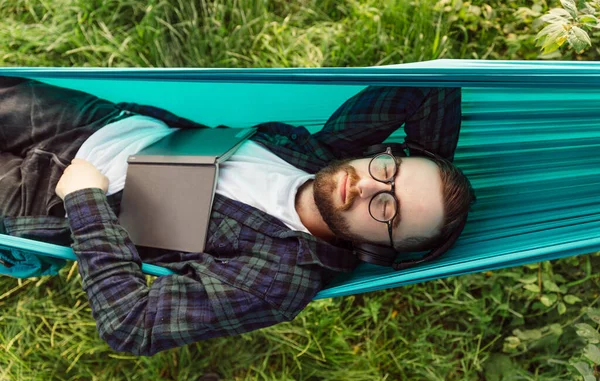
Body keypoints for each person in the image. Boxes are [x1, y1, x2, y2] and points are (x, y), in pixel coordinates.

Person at [0, 76, 474, 356]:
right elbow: (428, 88)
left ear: (379, 248)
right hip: (100, 125)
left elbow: (130, 325)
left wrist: (85, 200)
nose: (368, 184)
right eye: (390, 170)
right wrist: (428, 168)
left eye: (387, 207)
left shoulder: (277, 278)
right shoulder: (327, 154)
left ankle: (22, 255)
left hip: (45, 202)